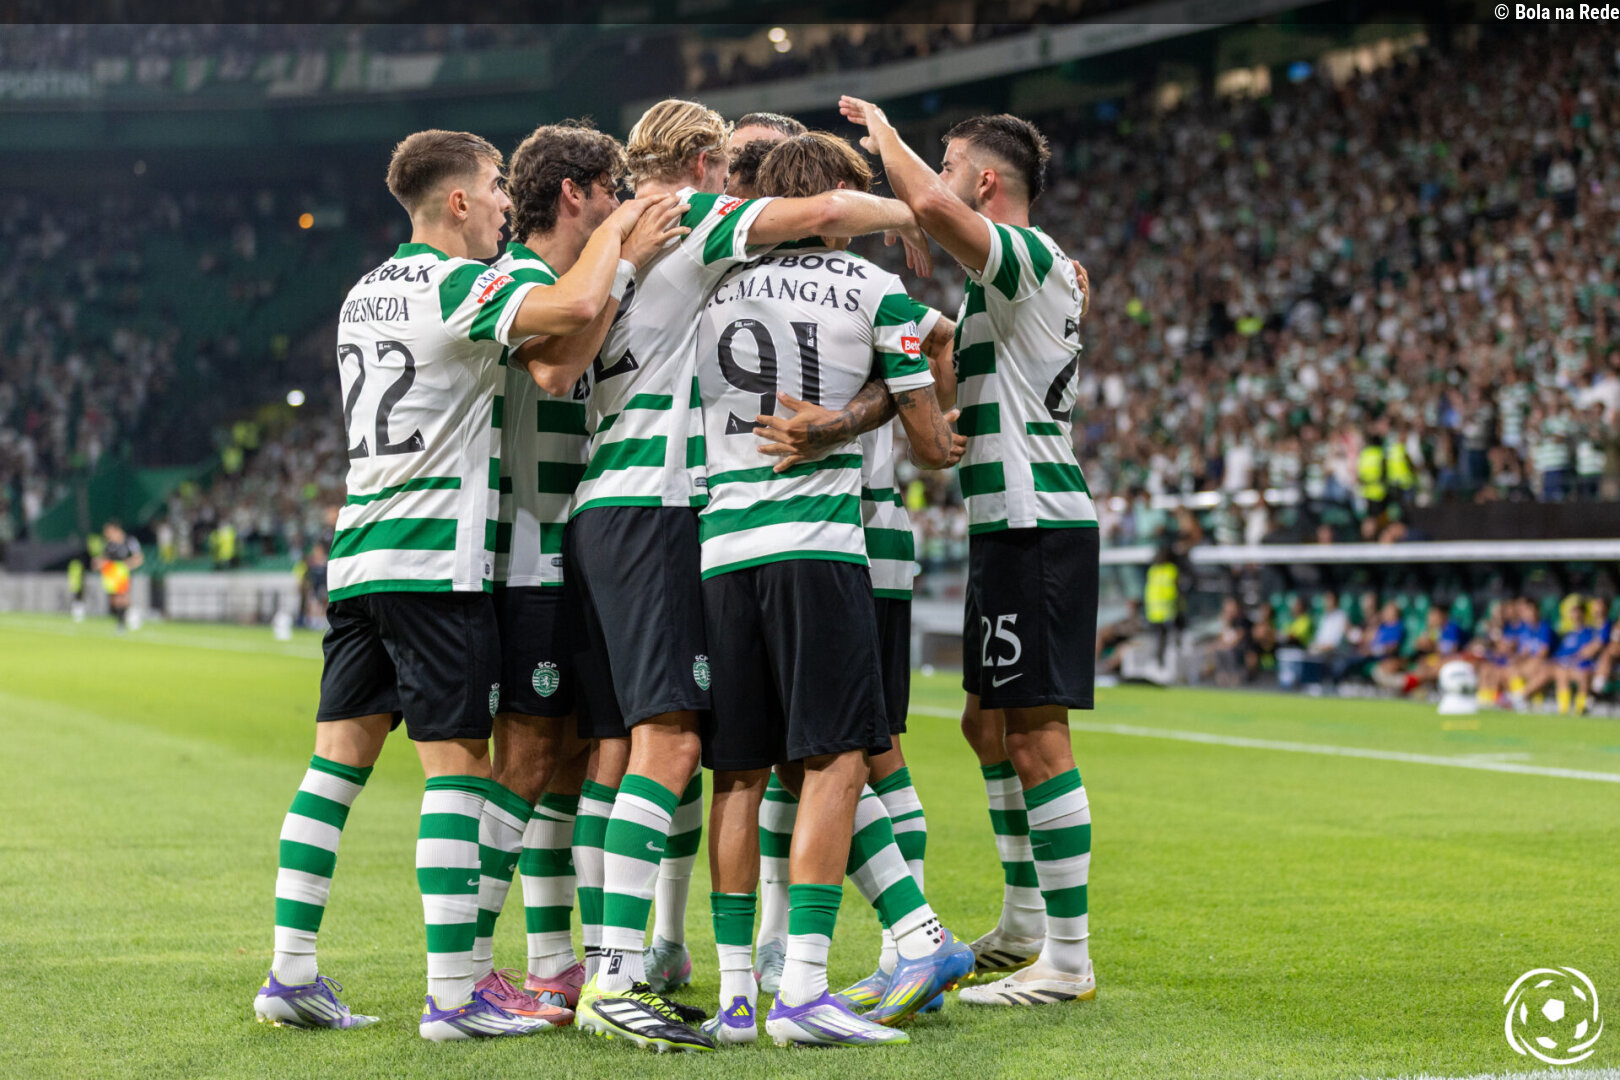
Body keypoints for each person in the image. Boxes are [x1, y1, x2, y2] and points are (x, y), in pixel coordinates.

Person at [252, 127, 671, 1041]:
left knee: (332, 770)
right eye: (492, 186)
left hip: (358, 555)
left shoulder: (363, 292)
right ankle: (455, 994)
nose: (503, 204)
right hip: (436, 558)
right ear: (457, 201)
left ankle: (290, 970)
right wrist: (624, 235)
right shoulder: (461, 283)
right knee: (459, 768)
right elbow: (574, 310)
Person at [533, 98, 933, 1053]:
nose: (736, 185)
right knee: (675, 745)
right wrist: (922, 212)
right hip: (660, 503)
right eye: (727, 168)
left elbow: (555, 368)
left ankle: (636, 962)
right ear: (705, 161)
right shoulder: (694, 217)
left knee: (643, 749)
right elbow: (823, 211)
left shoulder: (611, 240)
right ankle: (617, 974)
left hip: (610, 501)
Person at [693, 131, 969, 1047]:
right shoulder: (872, 289)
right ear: (837, 210)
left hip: (722, 547)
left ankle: (739, 996)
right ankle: (806, 989)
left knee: (739, 772)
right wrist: (896, 421)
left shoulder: (708, 283)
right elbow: (927, 437)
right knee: (840, 757)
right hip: (819, 547)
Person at [842, 97, 1098, 1006]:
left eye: (949, 163)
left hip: (1035, 525)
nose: (938, 177)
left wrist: (882, 134)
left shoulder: (1028, 255)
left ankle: (1068, 960)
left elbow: (933, 207)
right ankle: (1025, 925)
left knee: (1034, 734)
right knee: (985, 725)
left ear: (985, 182)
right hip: (1006, 524)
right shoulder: (1023, 275)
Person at [461, 121, 681, 1023]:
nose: (622, 203)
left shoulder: (582, 280)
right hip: (529, 554)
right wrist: (623, 263)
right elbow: (555, 374)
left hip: (582, 549)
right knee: (525, 762)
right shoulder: (518, 278)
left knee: (573, 761)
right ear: (575, 194)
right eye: (613, 190)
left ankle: (558, 961)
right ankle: (468, 965)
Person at [93, 521, 143, 633]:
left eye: (108, 532)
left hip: (123, 573)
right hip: (111, 574)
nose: (107, 535)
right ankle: (126, 618)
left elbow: (139, 558)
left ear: (116, 530)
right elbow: (105, 559)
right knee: (114, 600)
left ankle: (123, 622)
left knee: (122, 597)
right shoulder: (109, 545)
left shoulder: (129, 541)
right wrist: (99, 563)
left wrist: (127, 565)